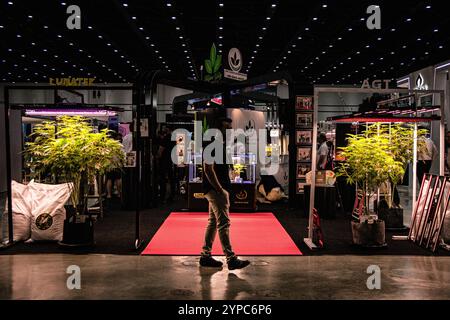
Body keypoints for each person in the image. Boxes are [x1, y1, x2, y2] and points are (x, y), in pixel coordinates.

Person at [200, 116, 250, 270]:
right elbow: (208, 168)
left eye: (230, 127)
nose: (229, 130)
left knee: (214, 222)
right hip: (216, 191)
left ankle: (205, 256)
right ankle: (231, 258)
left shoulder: (219, 144)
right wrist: (220, 190)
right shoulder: (213, 144)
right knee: (223, 223)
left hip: (216, 189)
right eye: (226, 127)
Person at [156, 126, 176, 203]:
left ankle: (163, 196)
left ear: (167, 129)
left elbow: (161, 150)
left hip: (164, 161)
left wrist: (157, 157)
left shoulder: (165, 139)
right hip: (171, 160)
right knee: (171, 178)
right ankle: (171, 195)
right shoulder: (174, 139)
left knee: (163, 179)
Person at [106, 131, 123, 199]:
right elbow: (122, 155)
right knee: (118, 179)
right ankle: (119, 193)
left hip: (109, 165)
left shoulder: (107, 145)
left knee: (109, 179)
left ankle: (109, 194)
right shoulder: (118, 145)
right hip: (117, 164)